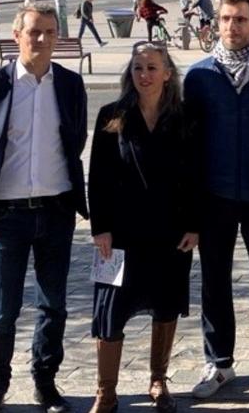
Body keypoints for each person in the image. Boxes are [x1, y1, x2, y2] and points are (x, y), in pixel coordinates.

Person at [0, 4, 89, 413]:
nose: (42, 39)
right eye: (34, 32)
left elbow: (75, 142)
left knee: (53, 305)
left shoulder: (70, 86)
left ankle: (45, 383)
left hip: (56, 212)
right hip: (7, 215)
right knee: (2, 310)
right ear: (17, 35)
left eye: (50, 32)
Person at [184, 0, 249, 401]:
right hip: (215, 195)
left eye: (241, 20)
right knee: (214, 283)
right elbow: (189, 145)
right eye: (226, 19)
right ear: (216, 24)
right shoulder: (199, 76)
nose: (232, 26)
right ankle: (219, 362)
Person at [87, 41, 198, 413]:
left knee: (165, 306)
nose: (144, 75)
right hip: (119, 236)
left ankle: (158, 380)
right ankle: (106, 390)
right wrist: (99, 227)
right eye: (137, 68)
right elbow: (97, 179)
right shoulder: (111, 116)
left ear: (167, 74)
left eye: (152, 68)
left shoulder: (185, 118)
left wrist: (194, 225)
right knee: (109, 311)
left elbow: (197, 178)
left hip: (170, 233)